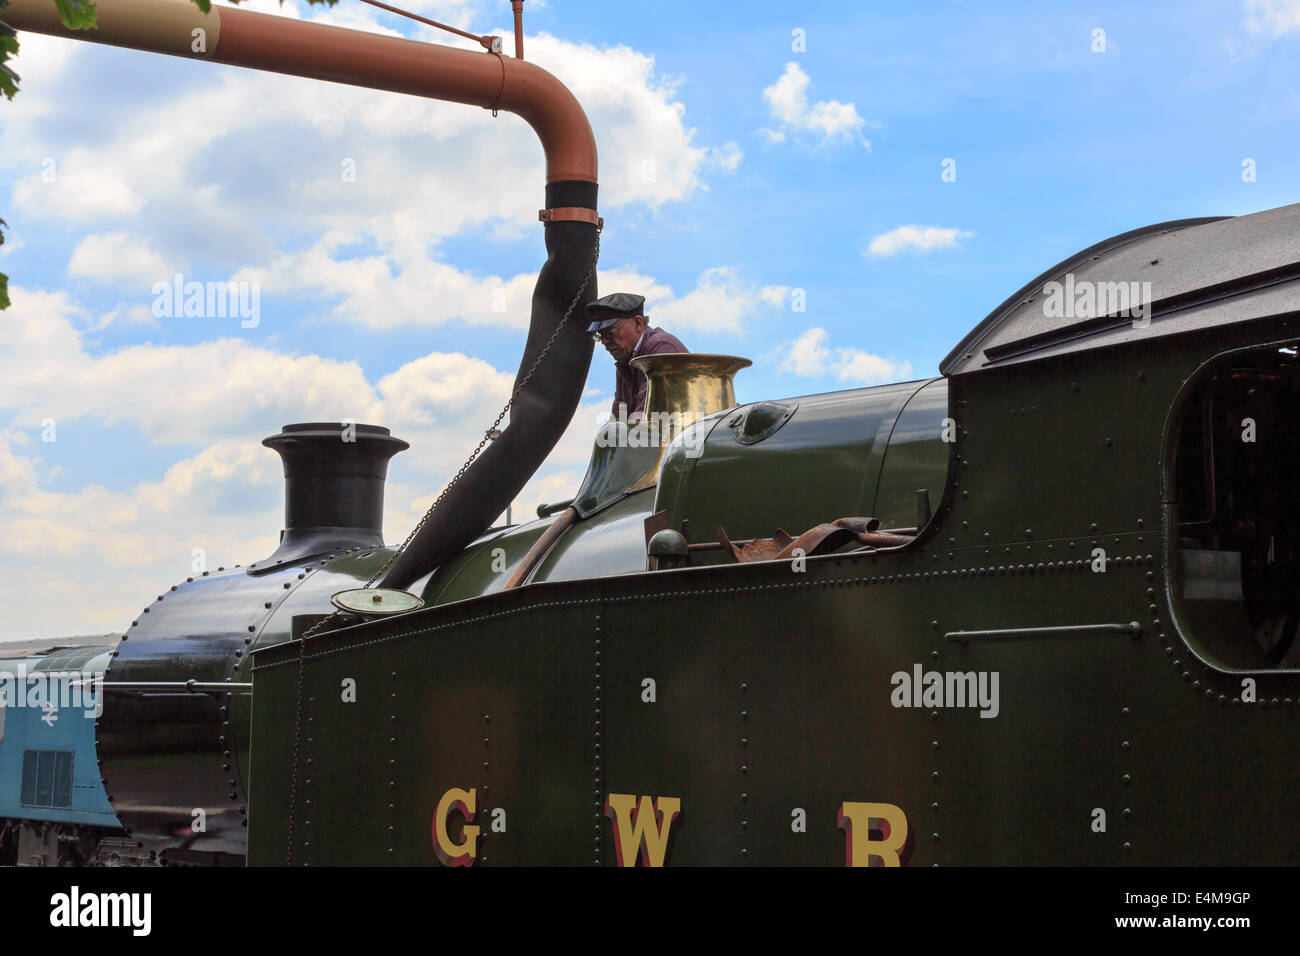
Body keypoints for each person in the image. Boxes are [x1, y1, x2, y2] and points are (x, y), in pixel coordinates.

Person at [585, 292, 688, 418]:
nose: (605, 341)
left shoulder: (663, 349)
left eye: (611, 332)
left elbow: (646, 416)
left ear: (638, 323)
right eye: (600, 336)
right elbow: (618, 419)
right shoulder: (626, 361)